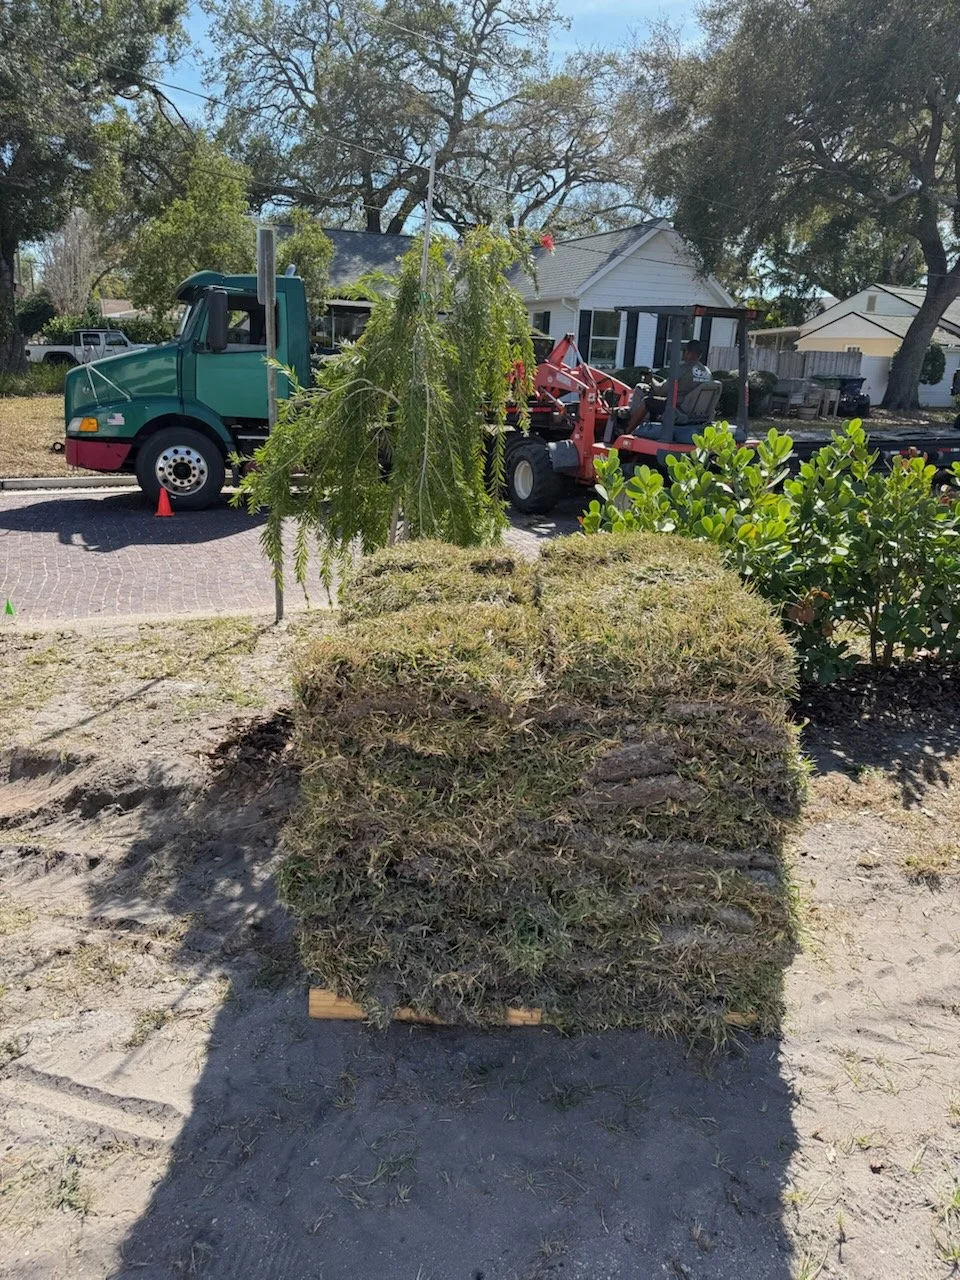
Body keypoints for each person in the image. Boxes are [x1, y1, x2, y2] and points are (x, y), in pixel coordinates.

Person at [627, 339, 712, 432]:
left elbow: (661, 390)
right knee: (657, 403)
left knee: (647, 401)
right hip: (696, 413)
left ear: (687, 352)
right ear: (700, 355)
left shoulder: (682, 369)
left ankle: (628, 431)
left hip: (678, 408)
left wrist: (651, 380)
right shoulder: (707, 372)